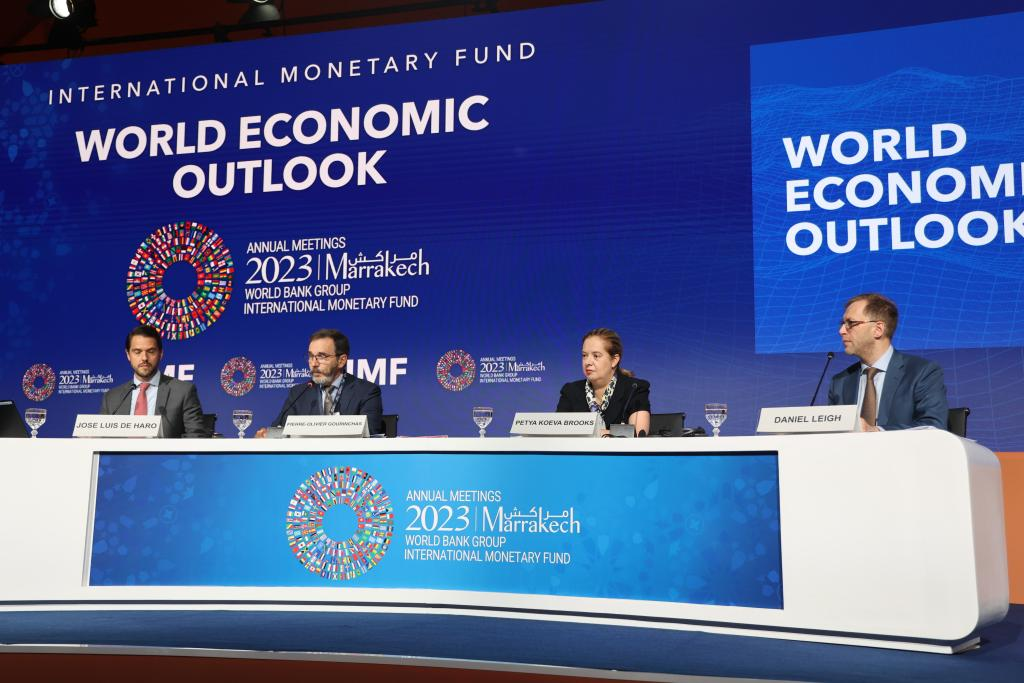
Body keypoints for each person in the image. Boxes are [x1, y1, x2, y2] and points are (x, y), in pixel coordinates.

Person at [827, 293, 948, 431]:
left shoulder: (922, 372)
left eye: (851, 323)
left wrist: (876, 431)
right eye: (842, 323)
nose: (841, 331)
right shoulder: (840, 382)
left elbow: (933, 426)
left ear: (878, 329)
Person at [256, 329, 383, 436]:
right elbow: (278, 431)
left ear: (341, 360)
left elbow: (370, 435)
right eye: (311, 356)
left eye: (321, 356)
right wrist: (267, 436)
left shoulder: (366, 392)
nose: (314, 363)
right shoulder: (299, 393)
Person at [100, 324, 210, 438]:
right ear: (128, 355)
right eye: (137, 352)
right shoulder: (111, 398)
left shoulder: (183, 392)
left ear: (160, 354)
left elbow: (196, 438)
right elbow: (100, 438)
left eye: (151, 351)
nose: (144, 358)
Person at [556, 328, 651, 435]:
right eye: (584, 355)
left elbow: (637, 434)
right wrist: (610, 433)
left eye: (596, 356)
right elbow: (558, 433)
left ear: (614, 360)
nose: (587, 362)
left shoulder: (634, 389)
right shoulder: (571, 391)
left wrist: (591, 434)